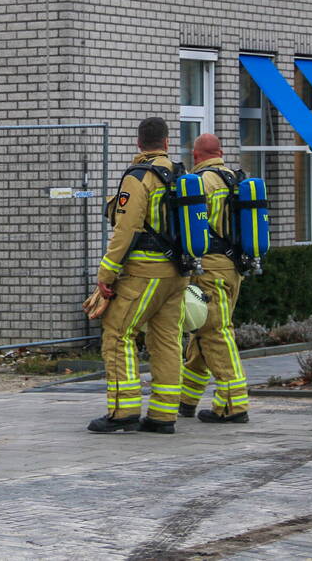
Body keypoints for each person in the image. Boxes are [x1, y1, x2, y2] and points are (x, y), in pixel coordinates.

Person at [88, 116, 188, 435]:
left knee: (118, 334)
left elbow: (125, 228)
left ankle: (123, 410)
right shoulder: (180, 174)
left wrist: (107, 272)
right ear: (167, 143)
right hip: (178, 273)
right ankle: (163, 415)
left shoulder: (139, 176)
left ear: (138, 143)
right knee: (167, 340)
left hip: (145, 273)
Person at [177, 133, 249, 423]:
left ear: (196, 156)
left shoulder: (201, 183)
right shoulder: (236, 179)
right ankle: (187, 399)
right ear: (220, 151)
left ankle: (234, 405)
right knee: (203, 333)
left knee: (217, 334)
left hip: (209, 270)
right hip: (234, 269)